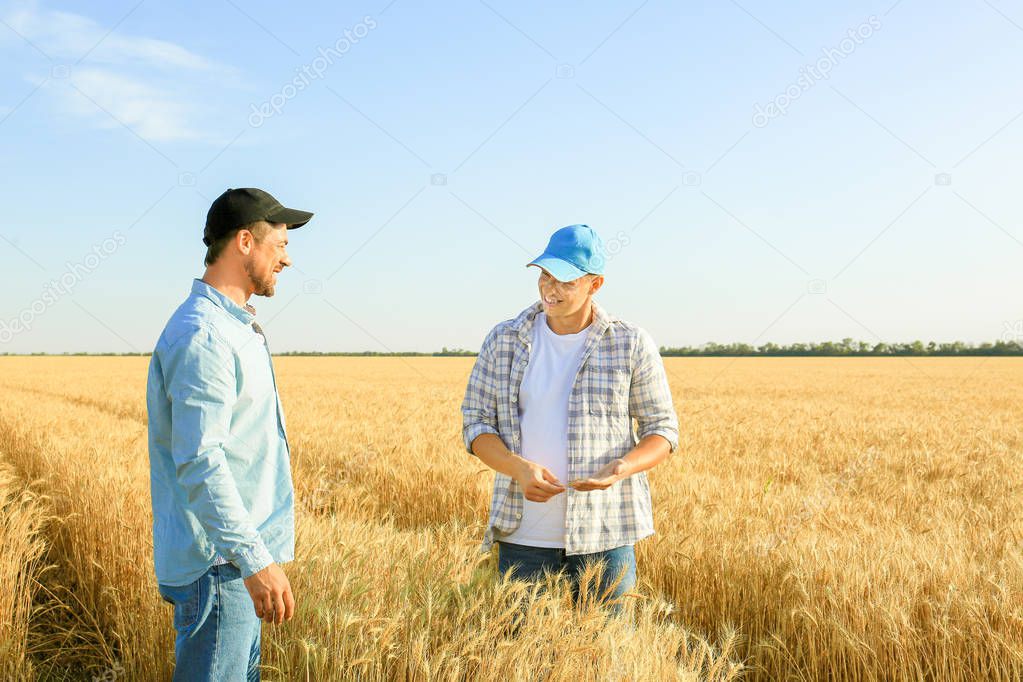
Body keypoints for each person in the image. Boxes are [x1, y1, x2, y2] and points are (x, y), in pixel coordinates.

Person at [461, 224, 679, 614]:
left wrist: (623, 468)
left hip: (605, 535)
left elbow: (662, 429)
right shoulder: (504, 339)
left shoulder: (630, 342)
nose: (550, 287)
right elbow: (476, 424)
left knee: (606, 658)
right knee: (523, 659)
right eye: (545, 274)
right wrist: (517, 468)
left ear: (595, 284)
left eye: (566, 279)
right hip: (523, 534)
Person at [146, 187, 312, 680]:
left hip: (231, 566)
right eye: (279, 244)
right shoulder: (206, 335)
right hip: (219, 569)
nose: (287, 258)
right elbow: (201, 460)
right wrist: (254, 560)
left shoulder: (231, 327)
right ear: (245, 242)